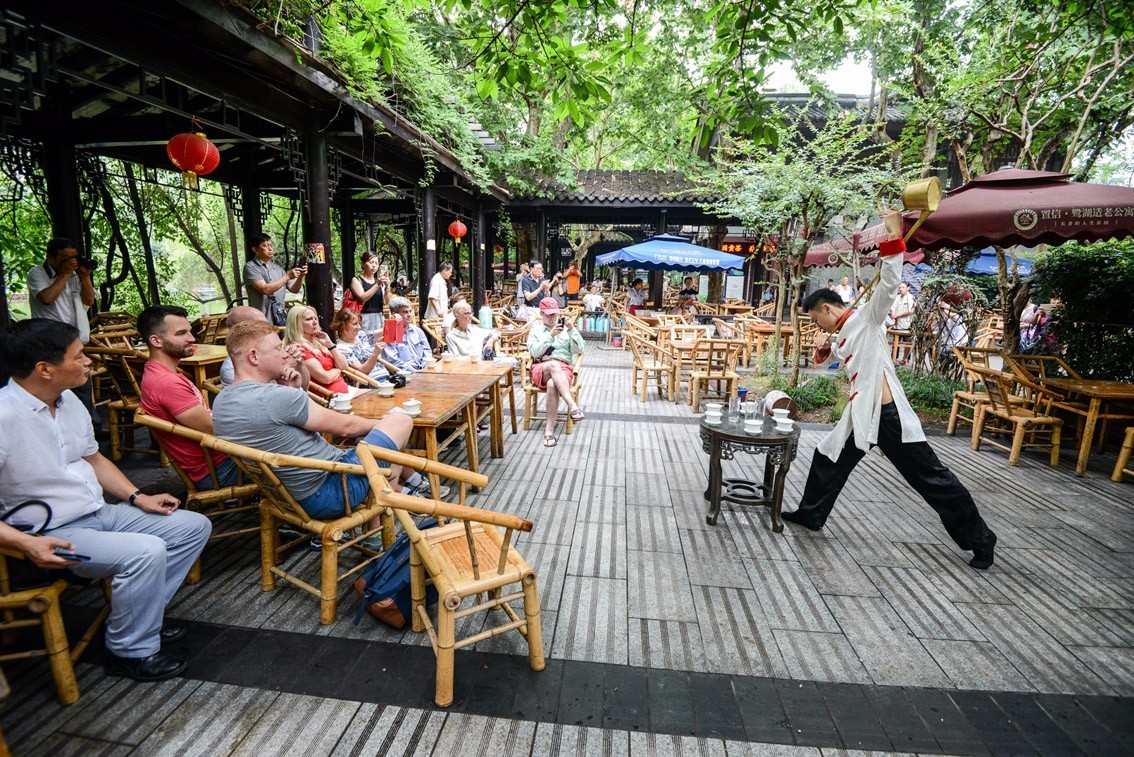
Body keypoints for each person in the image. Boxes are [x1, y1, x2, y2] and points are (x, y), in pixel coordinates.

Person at [781, 209, 997, 570]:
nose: (815, 324)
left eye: (815, 318)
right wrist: (825, 350)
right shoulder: (845, 331)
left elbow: (888, 282)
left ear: (828, 308)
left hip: (887, 415)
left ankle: (981, 539)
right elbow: (841, 352)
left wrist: (893, 236)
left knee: (931, 479)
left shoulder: (868, 316)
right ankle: (812, 514)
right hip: (861, 414)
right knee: (826, 456)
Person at [0, 319, 211, 681]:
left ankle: (139, 619)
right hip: (48, 533)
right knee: (146, 551)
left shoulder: (67, 402)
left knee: (192, 525)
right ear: (45, 369)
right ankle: (130, 650)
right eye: (79, 355)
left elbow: (94, 458)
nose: (88, 362)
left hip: (98, 512)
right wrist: (26, 544)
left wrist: (137, 496)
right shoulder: (4, 416)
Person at [212, 321, 432, 528]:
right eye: (278, 349)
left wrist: (291, 388)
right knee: (399, 422)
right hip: (331, 492)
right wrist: (384, 424)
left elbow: (283, 426)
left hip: (284, 495)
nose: (285, 354)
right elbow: (346, 426)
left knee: (377, 445)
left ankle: (381, 518)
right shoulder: (274, 397)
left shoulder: (221, 400)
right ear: (254, 356)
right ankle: (376, 527)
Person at [137, 306, 243, 489]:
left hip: (222, 459)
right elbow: (216, 429)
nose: (192, 338)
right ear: (156, 341)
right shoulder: (166, 382)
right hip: (219, 470)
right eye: (181, 333)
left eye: (190, 332)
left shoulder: (163, 372)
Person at [27, 238, 99, 426]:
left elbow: (89, 301)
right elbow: (46, 298)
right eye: (66, 258)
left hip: (74, 338)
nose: (72, 262)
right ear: (51, 257)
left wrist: (84, 277)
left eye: (74, 258)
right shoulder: (37, 273)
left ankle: (90, 424)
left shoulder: (77, 275)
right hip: (48, 339)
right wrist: (65, 275)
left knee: (81, 380)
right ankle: (56, 425)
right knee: (53, 383)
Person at [527, 298, 586, 447]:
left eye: (554, 314)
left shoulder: (567, 330)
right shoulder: (536, 330)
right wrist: (550, 336)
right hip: (542, 368)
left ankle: (549, 432)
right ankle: (572, 405)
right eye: (548, 314)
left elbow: (581, 350)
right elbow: (534, 352)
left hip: (563, 369)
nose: (552, 317)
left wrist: (572, 329)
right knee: (553, 364)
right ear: (541, 314)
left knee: (553, 385)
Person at [218, 306, 309, 389]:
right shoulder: (232, 369)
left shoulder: (273, 353)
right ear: (240, 330)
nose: (268, 328)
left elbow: (304, 388)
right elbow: (266, 398)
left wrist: (299, 364)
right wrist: (285, 367)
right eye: (260, 325)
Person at [243, 233, 306, 326]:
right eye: (265, 246)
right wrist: (288, 276)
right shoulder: (250, 267)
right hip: (261, 319)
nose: (270, 248)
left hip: (280, 317)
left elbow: (294, 289)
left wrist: (300, 276)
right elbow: (265, 289)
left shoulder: (278, 269)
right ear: (255, 249)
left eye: (271, 245)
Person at [284, 305, 350, 395]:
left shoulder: (319, 342)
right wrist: (337, 370)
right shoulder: (298, 349)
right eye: (309, 319)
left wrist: (330, 345)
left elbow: (344, 365)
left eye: (315, 318)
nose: (315, 322)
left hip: (346, 391)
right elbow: (325, 378)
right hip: (330, 397)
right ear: (296, 323)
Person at [331, 307, 391, 382]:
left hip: (386, 375)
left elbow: (385, 331)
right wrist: (375, 354)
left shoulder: (360, 335)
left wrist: (393, 321)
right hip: (372, 382)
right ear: (342, 326)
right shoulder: (342, 348)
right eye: (355, 324)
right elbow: (362, 371)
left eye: (359, 323)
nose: (359, 327)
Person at [383, 296, 432, 371]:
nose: (409, 314)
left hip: (424, 369)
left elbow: (427, 351)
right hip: (405, 374)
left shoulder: (418, 331)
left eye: (410, 311)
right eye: (405, 312)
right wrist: (415, 372)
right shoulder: (389, 334)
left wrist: (425, 367)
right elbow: (393, 361)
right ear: (395, 314)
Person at [348, 251, 390, 331]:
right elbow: (363, 297)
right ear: (362, 264)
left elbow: (386, 302)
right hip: (363, 318)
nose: (374, 265)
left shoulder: (378, 281)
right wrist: (377, 284)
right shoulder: (356, 280)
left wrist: (387, 286)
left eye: (376, 263)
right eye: (371, 262)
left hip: (379, 317)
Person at [889, 281, 916, 365]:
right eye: (899, 287)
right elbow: (892, 307)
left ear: (908, 288)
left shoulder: (911, 298)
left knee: (907, 341)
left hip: (906, 324)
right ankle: (893, 358)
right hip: (897, 324)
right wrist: (893, 315)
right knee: (895, 342)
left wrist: (897, 315)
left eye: (903, 287)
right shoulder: (897, 297)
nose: (901, 289)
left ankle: (905, 359)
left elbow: (910, 310)